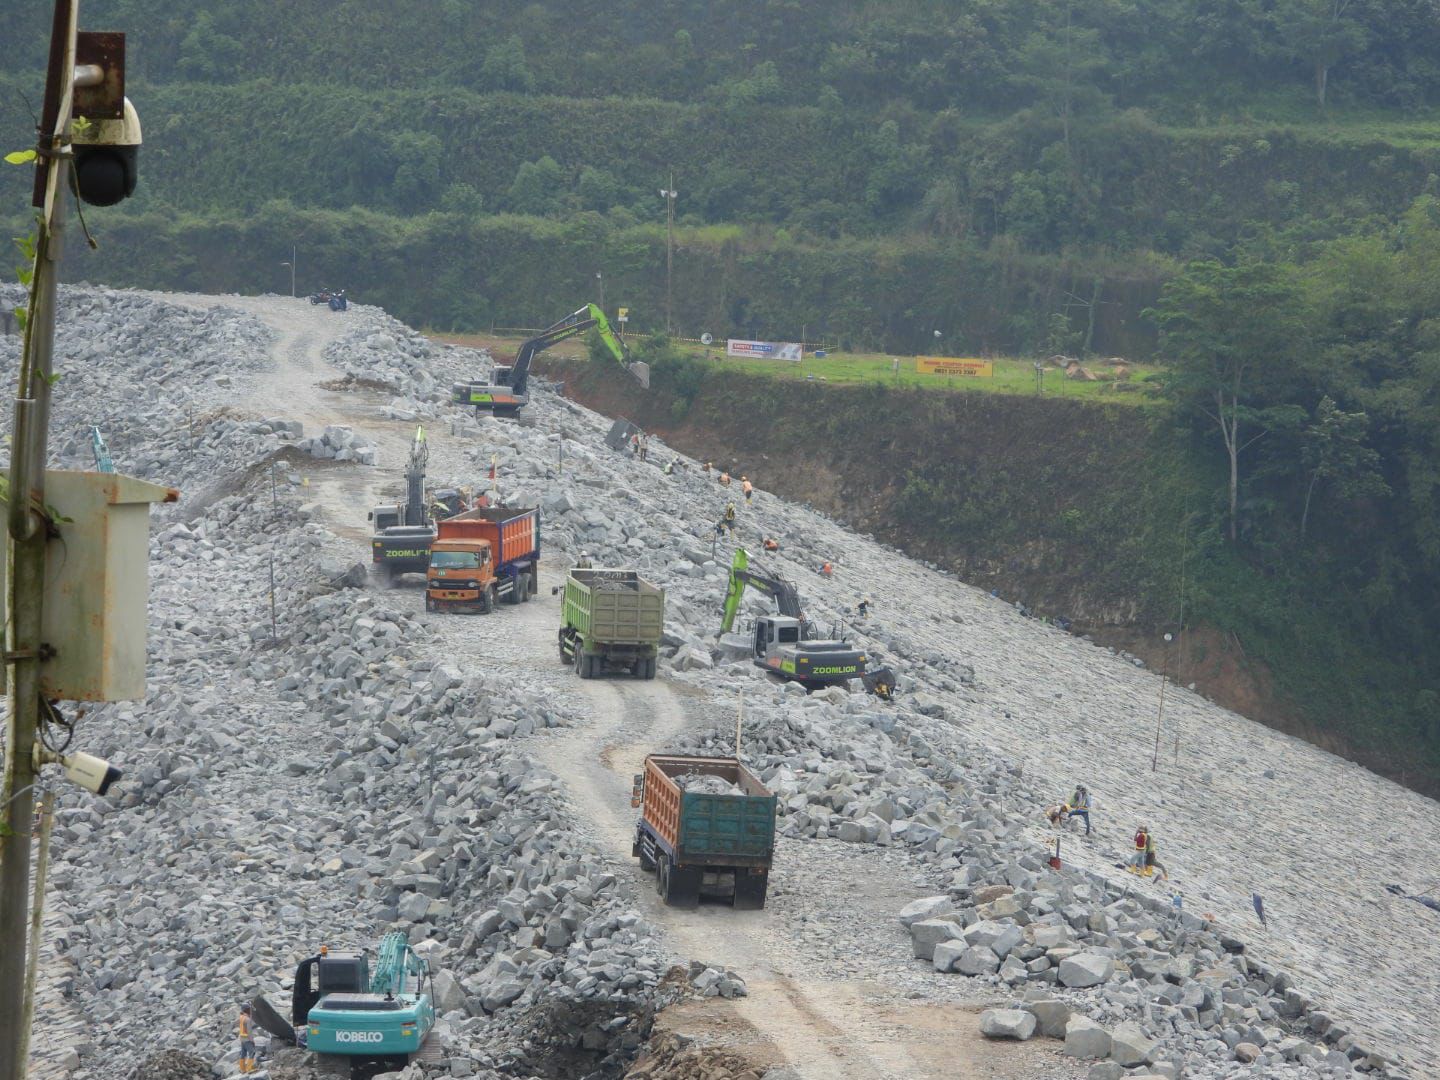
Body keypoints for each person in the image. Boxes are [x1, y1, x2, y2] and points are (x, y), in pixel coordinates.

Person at [237, 1004, 255, 1074]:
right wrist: (252, 1040)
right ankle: (249, 1069)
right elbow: (249, 1031)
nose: (250, 1010)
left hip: (242, 1038)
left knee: (243, 1053)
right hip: (247, 1039)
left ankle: (242, 1069)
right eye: (249, 1009)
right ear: (246, 1010)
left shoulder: (241, 1017)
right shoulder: (247, 1019)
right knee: (252, 1052)